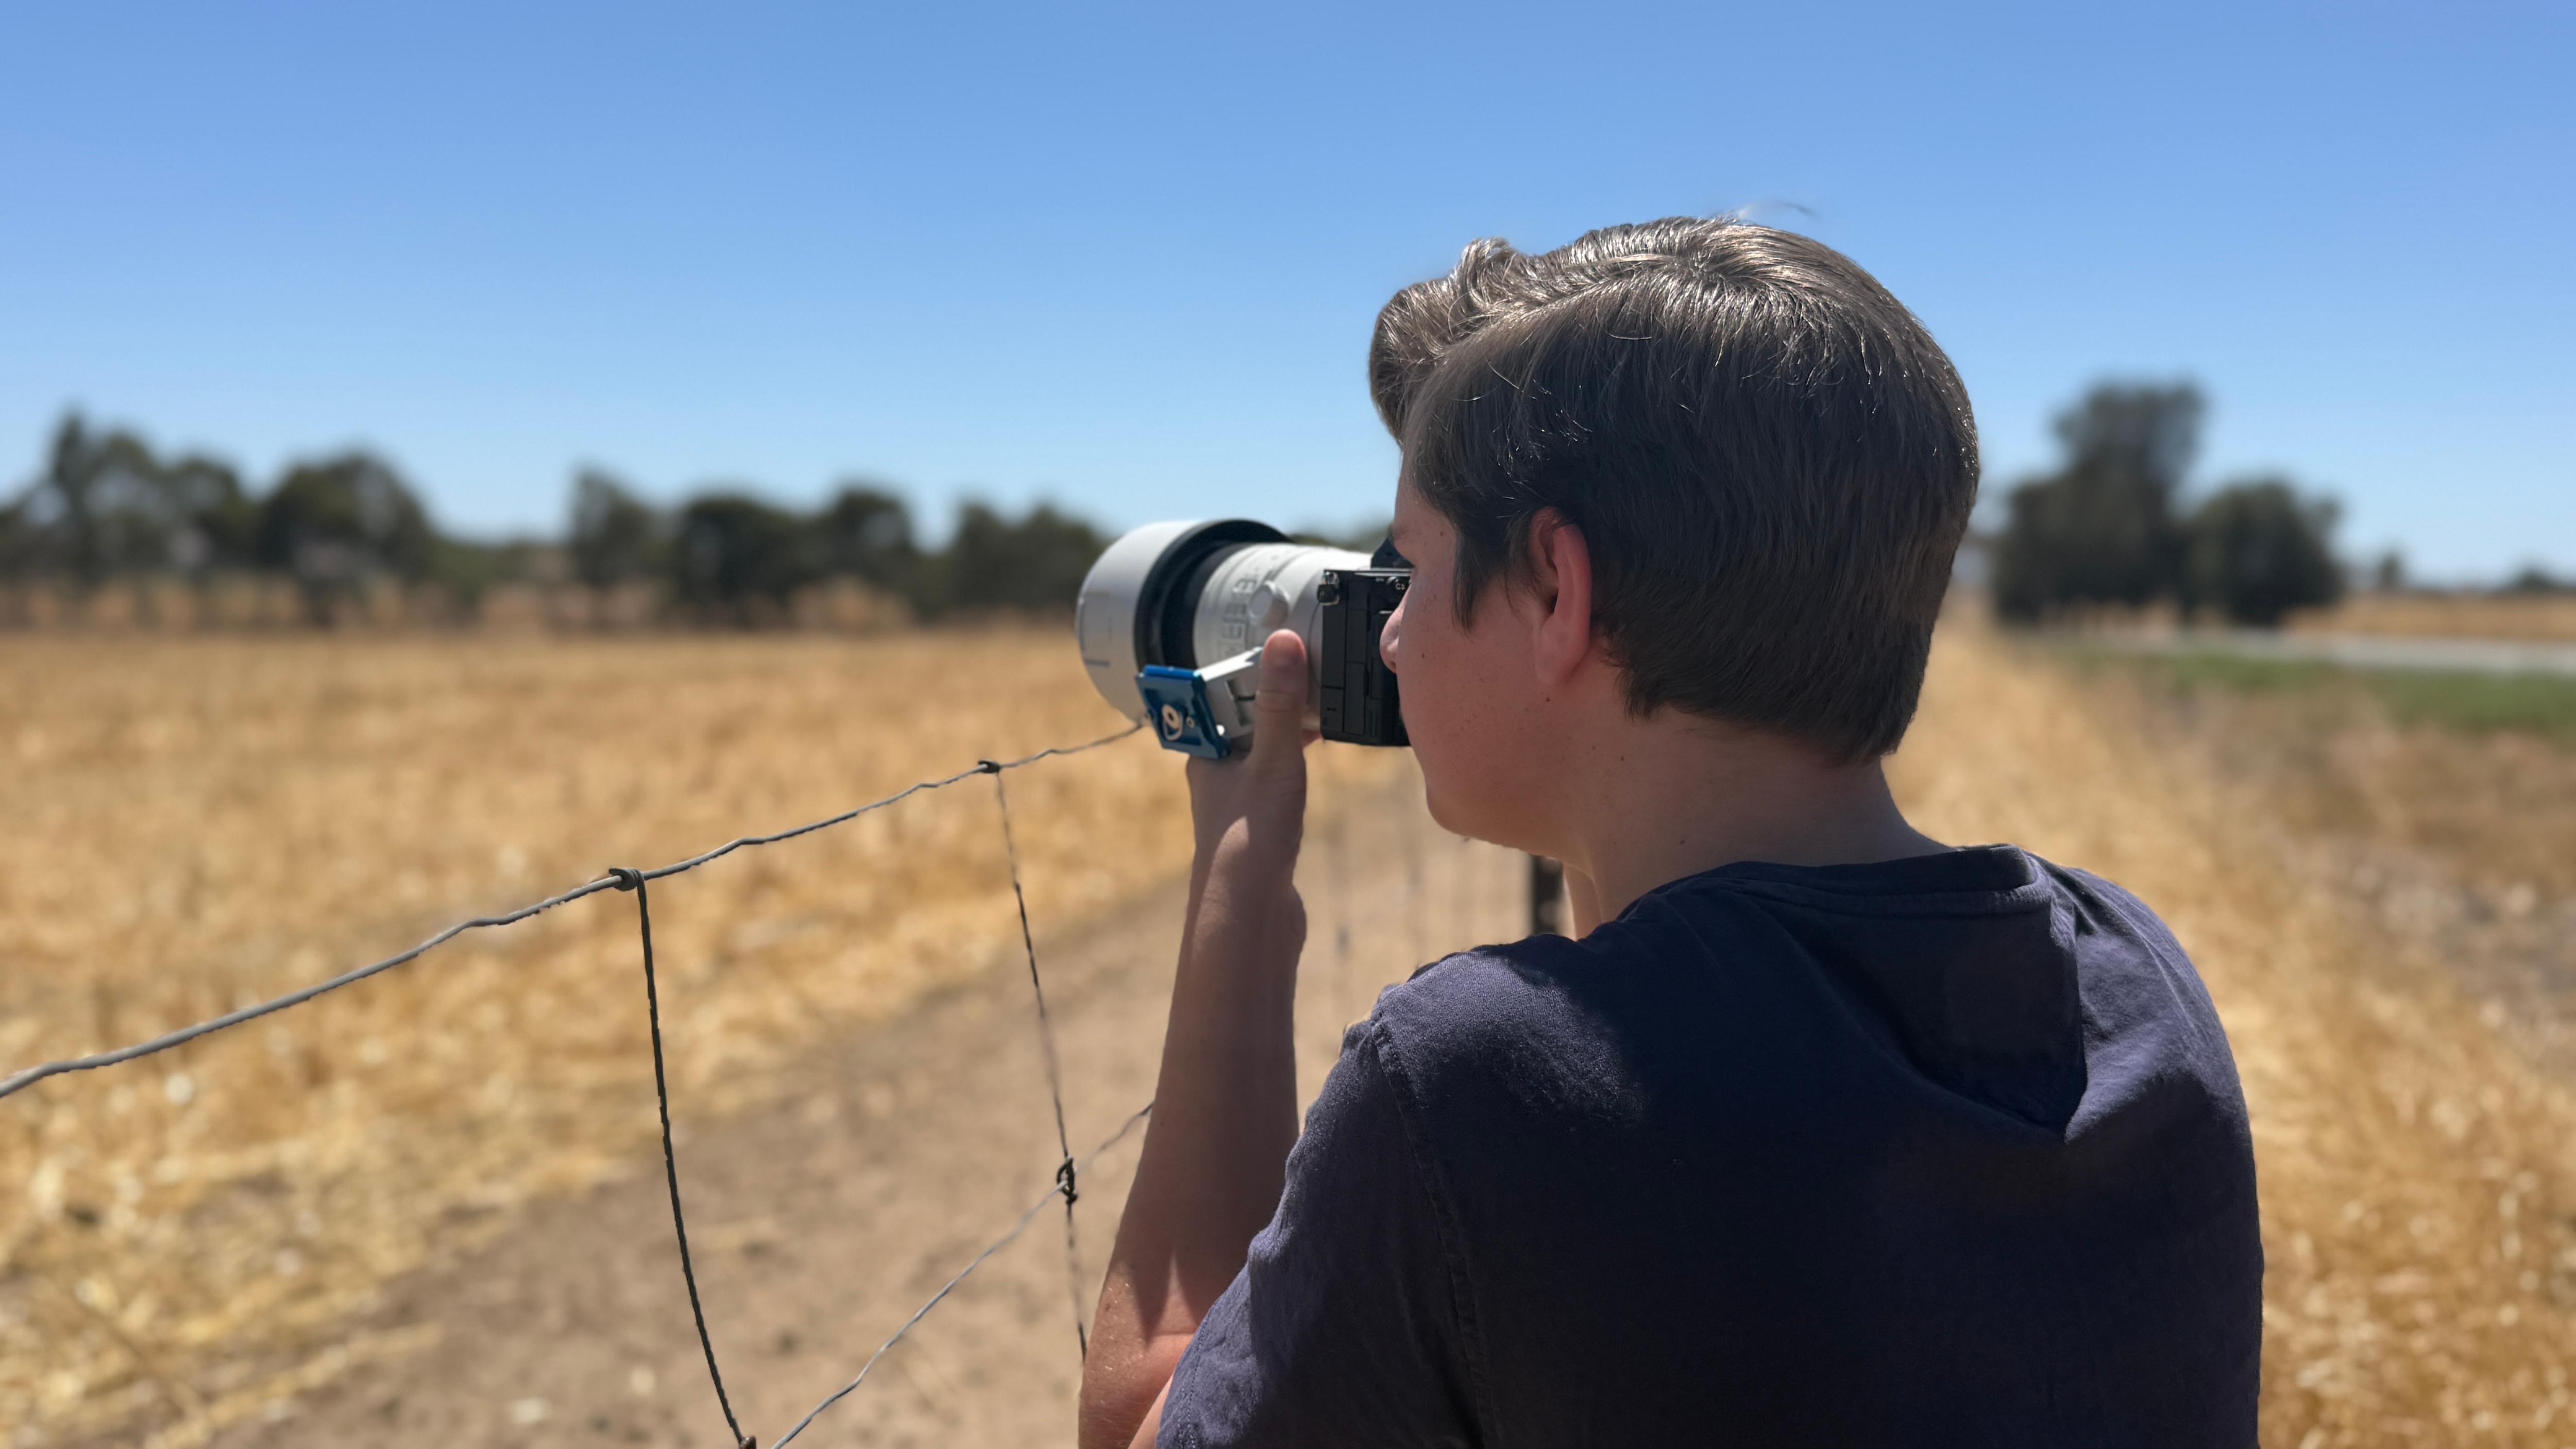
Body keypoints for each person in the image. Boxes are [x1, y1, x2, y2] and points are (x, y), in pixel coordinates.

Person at [1077, 217, 2262, 1448]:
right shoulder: (2133, 982)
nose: (1385, 630)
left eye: (1412, 565)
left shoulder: (1478, 1085)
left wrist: (1243, 879)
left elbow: (1137, 1424)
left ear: (1554, 590)